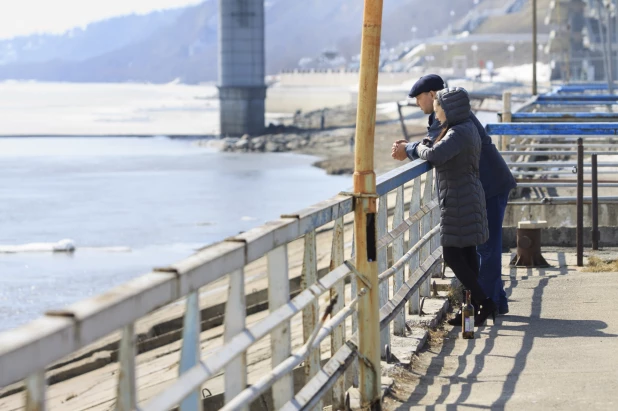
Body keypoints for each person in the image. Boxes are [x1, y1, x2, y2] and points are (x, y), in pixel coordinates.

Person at [392, 74, 516, 321]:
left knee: (485, 249)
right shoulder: (451, 117)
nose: (418, 103)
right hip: (475, 189)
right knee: (474, 250)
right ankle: (492, 303)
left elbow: (437, 151)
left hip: (486, 187)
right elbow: (436, 144)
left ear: (432, 95)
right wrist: (415, 147)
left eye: (419, 98)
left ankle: (486, 303)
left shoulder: (456, 120)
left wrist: (408, 149)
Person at [414, 86, 495, 326]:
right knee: (468, 257)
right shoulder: (463, 129)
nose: (436, 112)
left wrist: (416, 147)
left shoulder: (458, 132)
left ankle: (485, 302)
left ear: (449, 108)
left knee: (451, 253)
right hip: (465, 197)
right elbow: (441, 149)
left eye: (438, 107)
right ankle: (469, 311)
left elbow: (435, 155)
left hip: (460, 201)